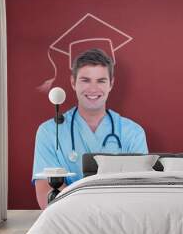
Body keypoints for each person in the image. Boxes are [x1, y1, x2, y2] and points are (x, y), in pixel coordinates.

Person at [32, 48, 148, 209]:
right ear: (73, 82)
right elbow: (46, 194)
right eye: (85, 80)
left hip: (119, 221)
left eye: (101, 81)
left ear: (111, 84)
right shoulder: (50, 131)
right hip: (68, 222)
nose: (93, 89)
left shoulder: (133, 133)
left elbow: (138, 191)